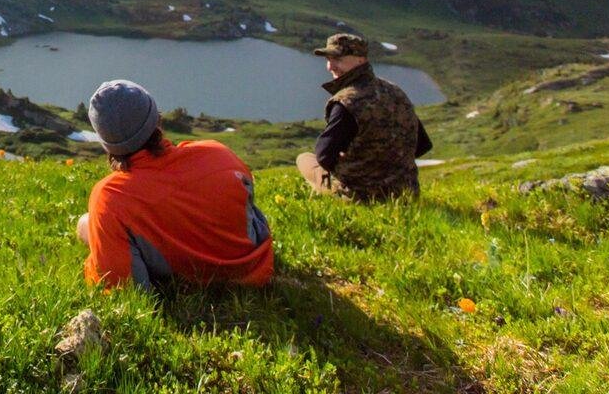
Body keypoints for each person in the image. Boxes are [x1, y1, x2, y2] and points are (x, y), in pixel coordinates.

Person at [76, 79, 273, 291]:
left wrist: (95, 253)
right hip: (254, 271)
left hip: (193, 285)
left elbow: (119, 285)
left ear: (108, 143)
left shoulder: (111, 196)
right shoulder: (218, 153)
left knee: (85, 225)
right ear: (156, 120)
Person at [296, 32, 432, 202]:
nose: (330, 66)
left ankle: (325, 194)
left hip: (361, 195)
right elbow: (422, 145)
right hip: (406, 193)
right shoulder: (395, 91)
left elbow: (324, 156)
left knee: (304, 159)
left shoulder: (346, 101)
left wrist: (357, 166)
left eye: (337, 59)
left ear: (360, 60)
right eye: (328, 59)